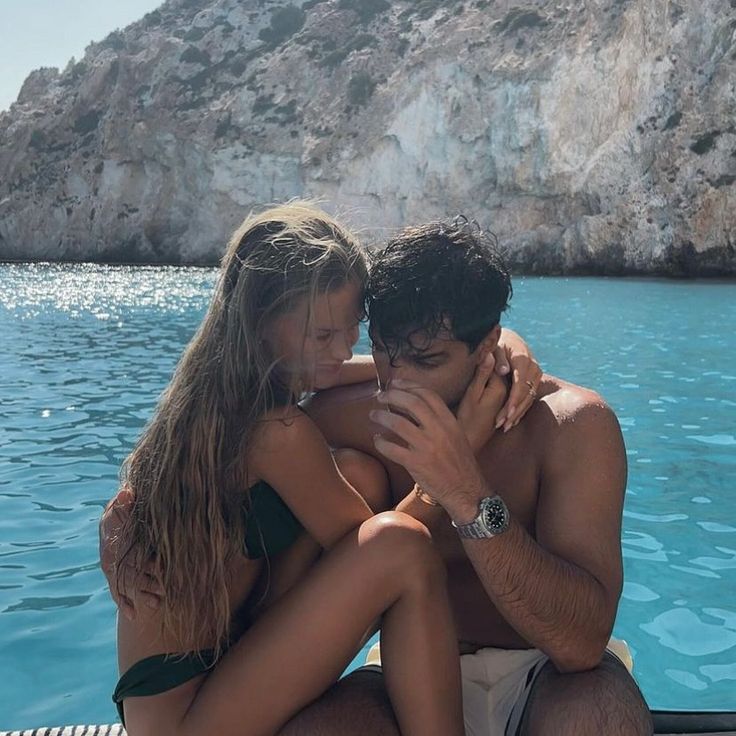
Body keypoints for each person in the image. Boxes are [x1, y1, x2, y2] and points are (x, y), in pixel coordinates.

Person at [100, 202, 541, 736]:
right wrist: (454, 463)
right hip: (184, 716)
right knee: (400, 547)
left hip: (197, 677)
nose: (345, 350)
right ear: (263, 323)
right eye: (324, 337)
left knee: (359, 473)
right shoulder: (277, 434)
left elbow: (359, 376)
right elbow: (383, 555)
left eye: (354, 331)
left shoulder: (220, 393)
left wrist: (504, 346)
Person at [281, 219, 654, 736]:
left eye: (428, 360)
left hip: (545, 671)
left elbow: (580, 644)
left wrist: (467, 493)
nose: (399, 380)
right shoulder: (342, 420)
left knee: (599, 718)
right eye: (386, 352)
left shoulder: (571, 426)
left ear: (489, 346)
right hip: (403, 671)